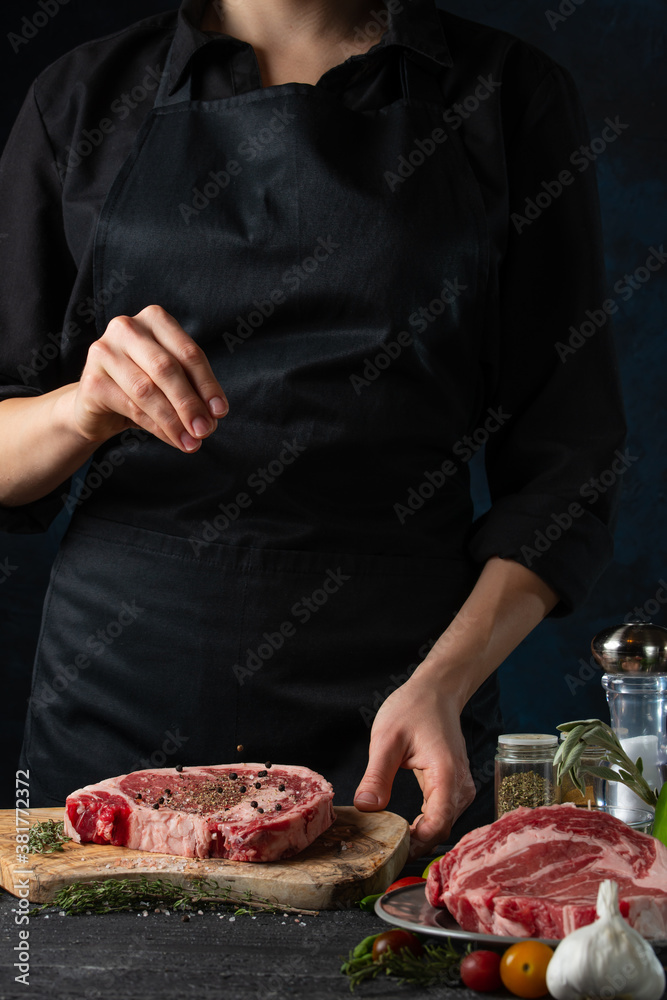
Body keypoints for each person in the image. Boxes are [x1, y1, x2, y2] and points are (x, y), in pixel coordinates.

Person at [0, 0, 626, 858]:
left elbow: (569, 467)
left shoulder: (508, 96)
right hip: (119, 694)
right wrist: (80, 408)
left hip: (398, 708)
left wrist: (443, 682)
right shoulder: (80, 97)